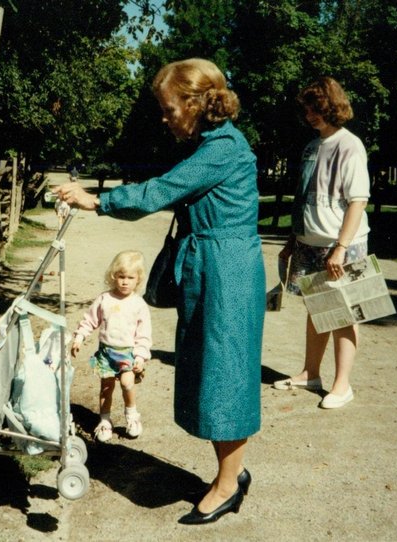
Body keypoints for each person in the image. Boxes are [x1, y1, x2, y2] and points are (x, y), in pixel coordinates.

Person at [54, 58, 264, 525]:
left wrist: (97, 200)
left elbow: (161, 191)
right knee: (213, 370)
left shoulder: (222, 148)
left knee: (224, 373)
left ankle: (229, 484)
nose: (165, 117)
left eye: (169, 108)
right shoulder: (212, 144)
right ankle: (234, 470)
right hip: (216, 267)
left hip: (225, 274)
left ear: (194, 103)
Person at [274, 76, 371, 410]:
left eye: (316, 109)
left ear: (332, 106)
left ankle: (342, 385)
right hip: (308, 241)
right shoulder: (311, 147)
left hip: (341, 244)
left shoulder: (350, 145)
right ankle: (309, 374)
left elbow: (358, 201)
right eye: (307, 110)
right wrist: (292, 239)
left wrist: (341, 247)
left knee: (344, 313)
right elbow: (303, 198)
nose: (310, 116)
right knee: (317, 309)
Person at [71, 250, 152, 442]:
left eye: (130, 278)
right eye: (121, 276)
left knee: (127, 383)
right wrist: (80, 337)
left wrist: (140, 356)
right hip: (107, 352)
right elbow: (90, 320)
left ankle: (132, 416)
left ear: (138, 279)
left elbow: (144, 335)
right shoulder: (104, 299)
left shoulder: (139, 304)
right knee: (106, 387)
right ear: (113, 276)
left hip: (128, 354)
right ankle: (105, 421)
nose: (125, 281)